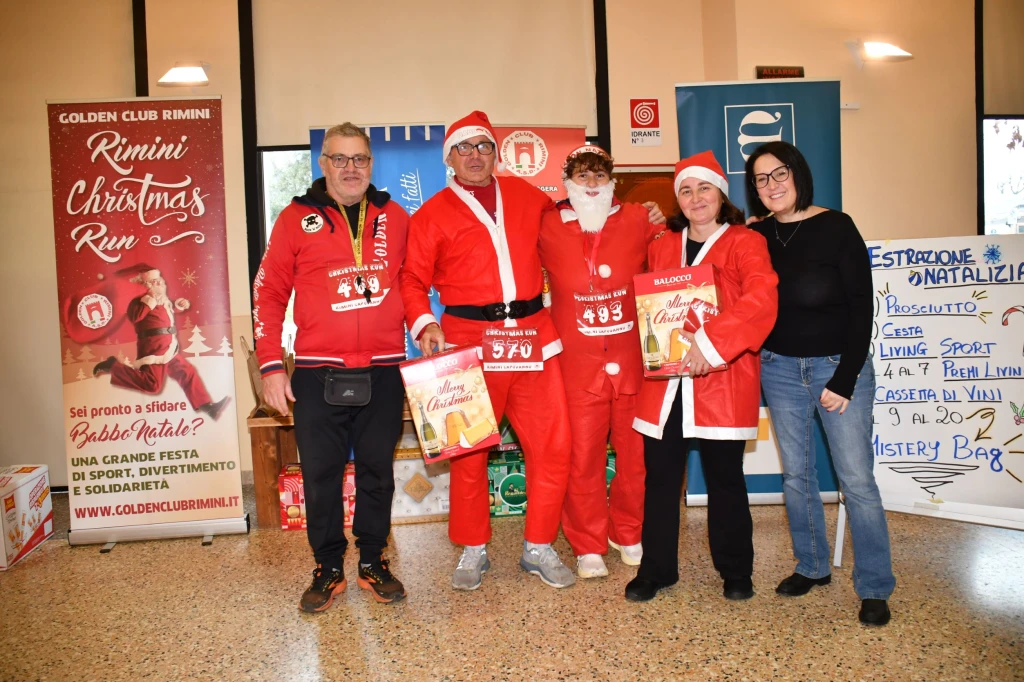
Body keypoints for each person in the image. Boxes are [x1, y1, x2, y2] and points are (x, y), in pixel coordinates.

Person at [398, 110, 581, 590]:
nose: (475, 155)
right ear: (449, 158)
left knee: (553, 445)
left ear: (496, 153)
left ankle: (538, 546)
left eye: (483, 146)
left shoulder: (529, 197)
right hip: (469, 344)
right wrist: (425, 323)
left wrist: (644, 218)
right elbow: (412, 279)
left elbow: (579, 221)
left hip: (534, 338)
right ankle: (473, 548)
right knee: (468, 452)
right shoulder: (431, 214)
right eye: (464, 147)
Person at [253, 122, 409, 611]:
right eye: (339, 158)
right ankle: (327, 567)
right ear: (323, 164)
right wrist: (270, 365)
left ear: (371, 163)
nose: (350, 168)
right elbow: (269, 293)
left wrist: (427, 327)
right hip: (317, 371)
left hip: (383, 368)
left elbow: (413, 281)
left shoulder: (395, 216)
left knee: (377, 473)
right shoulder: (294, 218)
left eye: (359, 158)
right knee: (320, 476)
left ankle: (373, 561)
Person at [745, 140, 895, 626]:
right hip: (779, 369)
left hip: (838, 368)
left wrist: (846, 379)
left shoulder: (837, 226)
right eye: (761, 179)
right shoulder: (756, 235)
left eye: (779, 173)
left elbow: (862, 306)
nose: (772, 185)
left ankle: (874, 586)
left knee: (857, 481)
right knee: (797, 476)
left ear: (798, 173)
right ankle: (812, 566)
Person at [627, 151, 778, 602]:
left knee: (725, 477)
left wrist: (709, 346)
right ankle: (656, 569)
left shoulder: (745, 243)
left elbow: (761, 301)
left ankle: (736, 570)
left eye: (704, 188)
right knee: (661, 478)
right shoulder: (661, 247)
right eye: (686, 191)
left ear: (721, 195)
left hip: (721, 377)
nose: (696, 198)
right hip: (666, 384)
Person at [538, 145, 659, 578]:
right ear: (567, 181)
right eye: (582, 176)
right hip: (576, 366)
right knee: (582, 458)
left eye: (599, 176)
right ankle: (588, 543)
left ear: (612, 181)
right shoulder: (546, 223)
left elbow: (676, 258)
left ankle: (628, 532)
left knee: (635, 457)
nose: (591, 184)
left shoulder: (639, 219)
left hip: (632, 363)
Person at [93, 268, 231, 421]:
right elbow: (135, 317)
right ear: (145, 285)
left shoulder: (161, 299)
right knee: (152, 385)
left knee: (187, 372)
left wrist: (179, 305)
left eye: (159, 280)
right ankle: (113, 367)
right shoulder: (138, 301)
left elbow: (167, 310)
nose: (159, 283)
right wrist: (149, 301)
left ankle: (206, 405)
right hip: (153, 347)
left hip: (168, 346)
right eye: (154, 281)